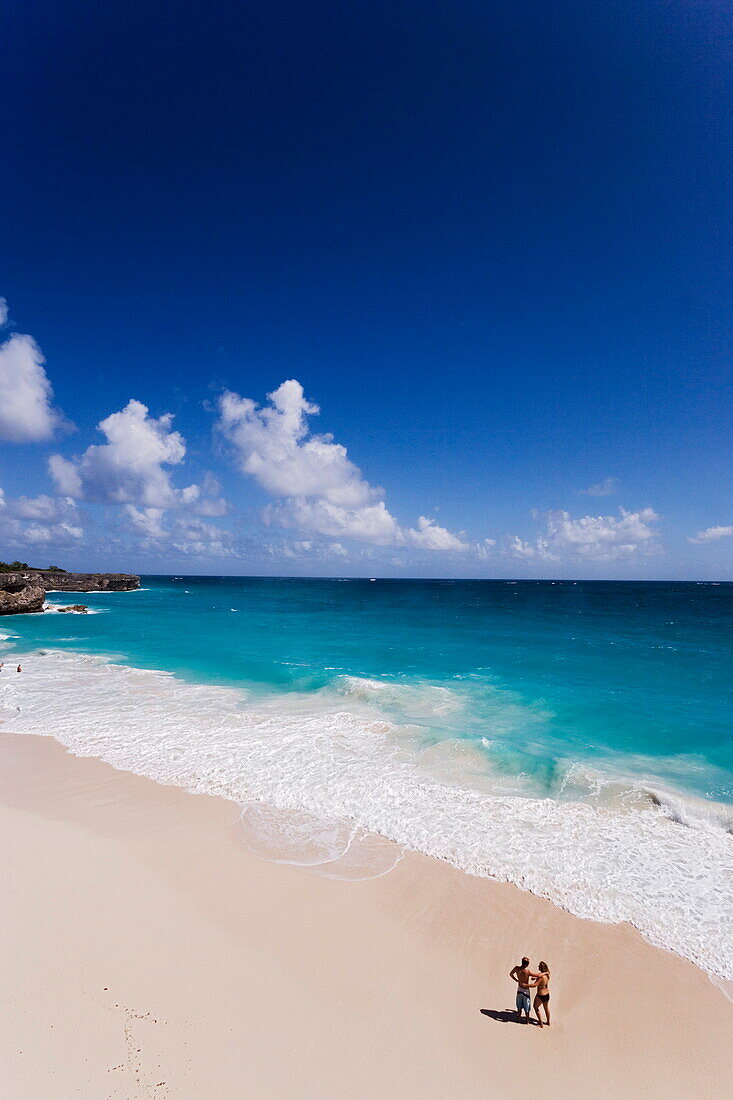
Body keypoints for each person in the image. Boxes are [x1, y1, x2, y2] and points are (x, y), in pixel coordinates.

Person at [509, 957, 538, 1023]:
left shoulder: (517, 968)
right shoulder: (527, 972)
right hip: (526, 990)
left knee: (519, 1005)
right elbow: (537, 975)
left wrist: (516, 980)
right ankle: (527, 1021)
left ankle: (519, 1018)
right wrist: (544, 973)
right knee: (526, 1006)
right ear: (527, 964)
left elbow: (511, 974)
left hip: (519, 989)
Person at [531, 961, 551, 1028]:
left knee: (535, 1007)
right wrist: (536, 978)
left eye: (539, 966)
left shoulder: (541, 977)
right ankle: (548, 1022)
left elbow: (535, 985)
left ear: (541, 968)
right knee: (546, 1008)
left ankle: (541, 1024)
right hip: (547, 994)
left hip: (540, 995)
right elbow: (541, 977)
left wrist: (526, 985)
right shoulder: (547, 975)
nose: (538, 967)